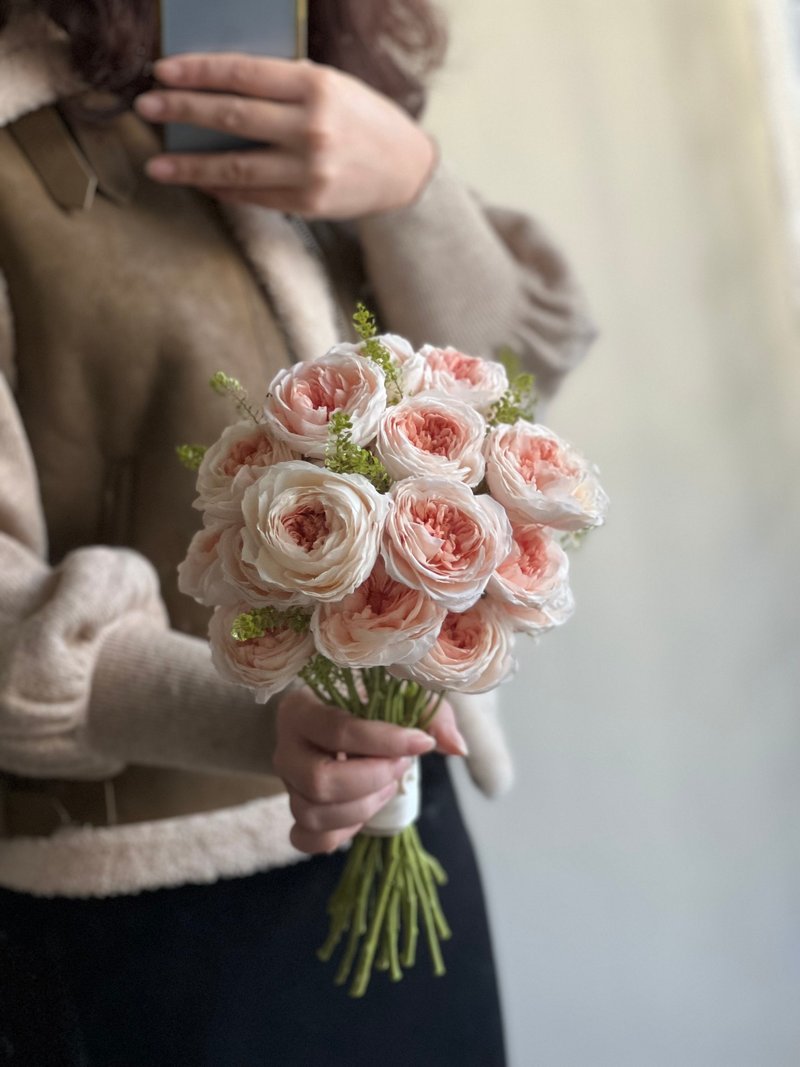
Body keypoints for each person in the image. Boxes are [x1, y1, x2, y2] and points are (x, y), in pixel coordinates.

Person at [0, 1, 594, 1063]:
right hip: (145, 899)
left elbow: (517, 372)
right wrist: (252, 713)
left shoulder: (293, 63)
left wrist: (409, 186)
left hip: (411, 811)